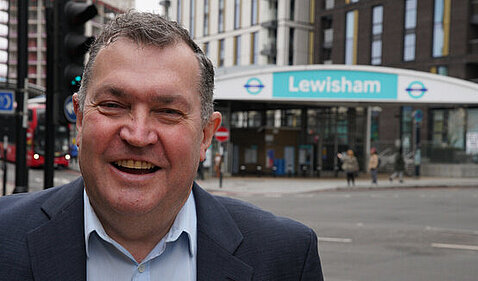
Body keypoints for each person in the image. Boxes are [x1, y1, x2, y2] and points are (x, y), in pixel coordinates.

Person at [0, 12, 323, 280]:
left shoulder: (286, 255)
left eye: (168, 112)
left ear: (206, 135)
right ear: (81, 120)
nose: (138, 136)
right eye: (113, 105)